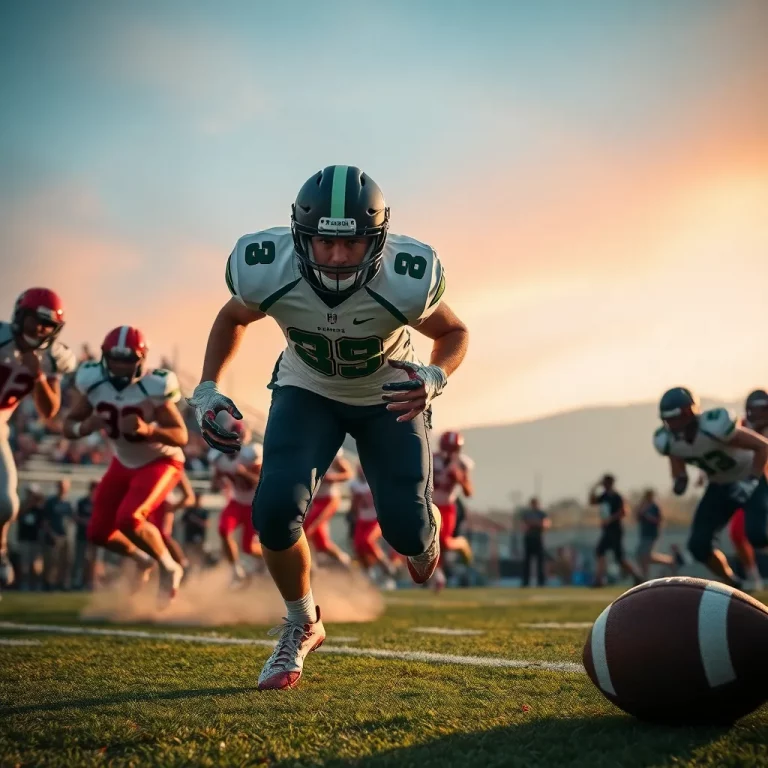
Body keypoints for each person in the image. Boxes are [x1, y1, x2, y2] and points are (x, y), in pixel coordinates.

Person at [188, 165, 469, 690]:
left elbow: (454, 331)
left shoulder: (407, 275)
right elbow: (232, 318)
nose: (338, 258)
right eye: (323, 243)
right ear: (301, 236)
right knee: (272, 513)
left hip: (388, 396)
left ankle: (420, 521)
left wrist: (434, 375)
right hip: (307, 390)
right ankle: (302, 622)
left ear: (377, 240)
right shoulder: (265, 266)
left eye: (354, 243)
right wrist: (207, 388)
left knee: (406, 533)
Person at [63, 325, 188, 605]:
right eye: (116, 359)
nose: (120, 366)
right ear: (105, 357)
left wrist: (149, 430)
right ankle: (143, 559)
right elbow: (68, 426)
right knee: (97, 533)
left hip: (160, 459)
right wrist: (85, 426)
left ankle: (170, 567)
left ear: (141, 360)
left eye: (127, 359)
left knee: (129, 519)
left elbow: (181, 436)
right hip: (123, 461)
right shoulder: (93, 383)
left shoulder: (152, 386)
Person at [0, 288, 76, 592]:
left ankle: (1, 550)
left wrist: (39, 377)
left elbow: (49, 410)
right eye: (35, 320)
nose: (39, 329)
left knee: (6, 504)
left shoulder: (53, 357)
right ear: (21, 316)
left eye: (47, 325)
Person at [653, 387, 768, 587]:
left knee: (758, 535)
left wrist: (751, 480)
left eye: (676, 417)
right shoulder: (669, 441)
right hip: (720, 485)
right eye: (668, 419)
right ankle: (733, 582)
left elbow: (762, 446)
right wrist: (680, 481)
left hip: (749, 478)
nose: (672, 424)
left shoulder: (714, 426)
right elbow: (678, 468)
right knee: (698, 545)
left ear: (690, 412)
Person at [211, 419, 263, 587]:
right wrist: (217, 482)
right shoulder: (220, 458)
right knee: (223, 529)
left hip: (255, 506)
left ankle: (270, 560)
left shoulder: (251, 454)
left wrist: (244, 473)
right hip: (236, 501)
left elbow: (263, 481)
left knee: (248, 547)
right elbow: (215, 481)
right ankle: (236, 571)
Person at [432, 431, 474, 587]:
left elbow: (469, 492)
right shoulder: (431, 458)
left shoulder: (462, 463)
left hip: (448, 507)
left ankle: (461, 544)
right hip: (430, 505)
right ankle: (438, 576)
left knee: (443, 542)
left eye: (453, 449)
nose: (449, 452)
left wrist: (461, 479)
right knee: (430, 542)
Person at [303, 448, 353, 568]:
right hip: (315, 501)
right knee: (322, 542)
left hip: (329, 499)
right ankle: (344, 561)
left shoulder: (333, 455)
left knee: (307, 530)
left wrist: (330, 478)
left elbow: (348, 473)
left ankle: (309, 565)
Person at [589, 474, 641, 587]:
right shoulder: (604, 496)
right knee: (600, 552)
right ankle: (599, 580)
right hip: (607, 530)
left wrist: (610, 519)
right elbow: (592, 501)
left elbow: (624, 511)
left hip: (615, 530)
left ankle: (637, 576)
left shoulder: (616, 496)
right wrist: (594, 487)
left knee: (619, 558)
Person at [350, 464, 396, 588]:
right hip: (362, 520)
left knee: (368, 541)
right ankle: (368, 571)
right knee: (358, 545)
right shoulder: (354, 485)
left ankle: (385, 564)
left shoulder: (376, 483)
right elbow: (354, 505)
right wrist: (352, 513)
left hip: (375, 520)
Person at [147, 470, 195, 570]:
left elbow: (190, 498)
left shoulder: (173, 467)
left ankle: (182, 565)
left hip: (162, 505)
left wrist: (174, 507)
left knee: (163, 536)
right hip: (147, 503)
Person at [634, 489, 675, 581]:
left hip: (651, 534)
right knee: (641, 556)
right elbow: (637, 517)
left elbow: (659, 520)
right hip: (644, 534)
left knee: (644, 555)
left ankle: (644, 577)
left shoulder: (655, 507)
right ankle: (668, 561)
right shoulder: (643, 506)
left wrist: (649, 517)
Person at [42, 479, 74, 590]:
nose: (63, 489)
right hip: (53, 536)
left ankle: (62, 584)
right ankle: (49, 584)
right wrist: (52, 534)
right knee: (52, 562)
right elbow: (45, 522)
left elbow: (72, 518)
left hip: (65, 535)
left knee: (65, 561)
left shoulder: (67, 503)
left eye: (65, 487)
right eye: (61, 487)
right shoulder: (51, 502)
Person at [16, 484, 45, 591]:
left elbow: (43, 523)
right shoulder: (22, 505)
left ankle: (36, 584)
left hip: (35, 539)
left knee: (36, 564)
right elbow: (17, 516)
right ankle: (24, 584)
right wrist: (29, 505)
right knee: (24, 563)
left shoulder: (39, 507)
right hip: (24, 538)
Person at [72, 481, 98, 590]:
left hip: (94, 537)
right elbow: (76, 517)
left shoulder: (99, 502)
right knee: (80, 559)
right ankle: (77, 582)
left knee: (93, 560)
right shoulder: (82, 502)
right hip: (82, 535)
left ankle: (91, 582)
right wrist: (86, 522)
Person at [520, 497, 550, 587]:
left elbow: (546, 524)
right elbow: (524, 526)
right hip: (529, 538)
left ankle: (541, 582)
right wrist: (535, 524)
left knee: (540, 561)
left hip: (538, 538)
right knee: (527, 562)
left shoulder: (542, 514)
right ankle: (526, 582)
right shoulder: (527, 514)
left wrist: (534, 524)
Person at [182, 492, 209, 570]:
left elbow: (206, 524)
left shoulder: (204, 511)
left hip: (200, 539)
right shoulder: (189, 510)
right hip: (189, 539)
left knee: (200, 557)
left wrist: (196, 521)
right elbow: (183, 521)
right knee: (189, 557)